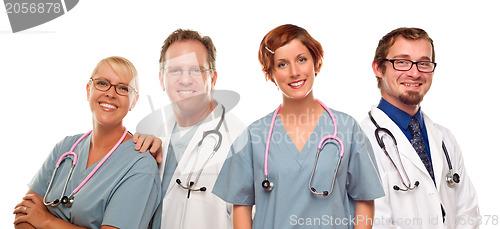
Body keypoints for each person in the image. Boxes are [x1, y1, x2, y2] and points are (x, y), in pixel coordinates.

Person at [212, 24, 384, 229]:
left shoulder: (347, 129)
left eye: (301, 60)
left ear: (315, 63)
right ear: (271, 73)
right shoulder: (255, 135)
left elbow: (364, 199)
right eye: (282, 64)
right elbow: (241, 205)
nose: (294, 72)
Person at [13, 56, 161, 229]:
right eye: (102, 83)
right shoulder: (65, 147)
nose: (110, 93)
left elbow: (36, 218)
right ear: (88, 90)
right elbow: (24, 215)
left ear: (134, 101)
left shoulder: (140, 165)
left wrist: (46, 221)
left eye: (123, 88)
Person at [359, 27, 479, 228]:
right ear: (379, 68)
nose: (414, 73)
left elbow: (468, 213)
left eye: (424, 63)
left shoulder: (445, 139)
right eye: (402, 62)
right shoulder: (360, 143)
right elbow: (375, 223)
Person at [134, 29, 246, 229]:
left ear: (213, 78)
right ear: (162, 79)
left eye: (196, 70)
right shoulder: (155, 135)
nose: (185, 80)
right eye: (175, 70)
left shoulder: (240, 141)